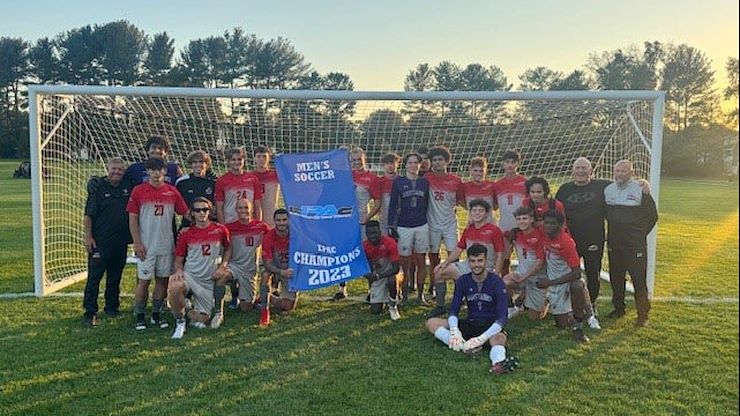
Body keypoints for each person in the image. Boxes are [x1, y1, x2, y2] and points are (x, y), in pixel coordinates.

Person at [555, 157, 651, 309]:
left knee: (593, 273)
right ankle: (565, 304)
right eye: (578, 168)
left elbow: (623, 182)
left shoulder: (603, 186)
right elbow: (556, 214)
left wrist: (643, 182)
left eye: (584, 168)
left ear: (591, 171)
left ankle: (591, 305)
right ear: (573, 170)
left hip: (594, 239)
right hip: (570, 240)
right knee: (566, 272)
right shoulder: (564, 189)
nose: (581, 171)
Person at [425, 244, 518, 375]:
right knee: (432, 323)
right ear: (468, 262)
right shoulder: (463, 280)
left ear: (486, 261)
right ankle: (462, 346)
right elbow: (454, 310)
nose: (476, 265)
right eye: (473, 261)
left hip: (490, 327)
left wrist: (481, 338)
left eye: (480, 260)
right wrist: (454, 330)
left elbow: (502, 317)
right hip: (471, 323)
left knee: (499, 338)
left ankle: (498, 364)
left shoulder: (496, 282)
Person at [127, 158, 189, 331]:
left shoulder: (172, 192)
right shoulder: (138, 191)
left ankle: (156, 314)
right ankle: (139, 315)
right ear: (147, 172)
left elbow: (186, 213)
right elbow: (132, 219)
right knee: (144, 282)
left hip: (166, 246)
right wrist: (137, 243)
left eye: (159, 170)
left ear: (164, 172)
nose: (156, 174)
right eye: (152, 170)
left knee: (162, 281)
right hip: (146, 246)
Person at [429, 199, 505, 318]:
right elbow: (459, 249)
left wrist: (496, 273)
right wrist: (445, 263)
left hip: (485, 268)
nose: (477, 213)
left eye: (480, 211)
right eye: (474, 210)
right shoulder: (469, 229)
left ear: (486, 214)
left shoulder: (494, 230)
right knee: (438, 272)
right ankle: (440, 306)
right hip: (468, 266)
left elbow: (500, 254)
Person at [168, 198, 232, 339]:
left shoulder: (220, 230)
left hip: (209, 280)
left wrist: (223, 266)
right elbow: (178, 259)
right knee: (175, 287)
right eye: (197, 210)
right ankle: (180, 322)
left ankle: (185, 307)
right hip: (191, 275)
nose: (202, 213)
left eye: (205, 209)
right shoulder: (186, 234)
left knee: (204, 320)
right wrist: (178, 271)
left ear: (210, 211)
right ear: (192, 213)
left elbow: (228, 248)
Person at [605, 160, 658, 327]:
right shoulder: (608, 190)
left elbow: (653, 216)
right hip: (614, 244)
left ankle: (643, 315)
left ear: (631, 173)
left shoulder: (640, 189)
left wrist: (639, 234)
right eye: (617, 171)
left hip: (635, 246)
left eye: (623, 171)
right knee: (616, 278)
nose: (619, 174)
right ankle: (619, 308)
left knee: (638, 280)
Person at [82, 157, 133, 326]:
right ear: (108, 169)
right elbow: (89, 215)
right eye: (114, 169)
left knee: (115, 277)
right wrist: (88, 236)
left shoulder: (128, 186)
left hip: (120, 242)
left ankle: (111, 307)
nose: (116, 172)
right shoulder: (98, 188)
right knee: (94, 277)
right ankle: (90, 312)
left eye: (120, 170)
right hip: (100, 242)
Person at [537, 210, 600, 343]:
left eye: (552, 224)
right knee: (562, 324)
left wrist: (550, 282)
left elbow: (577, 272)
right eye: (546, 223)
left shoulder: (566, 242)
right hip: (555, 284)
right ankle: (574, 308)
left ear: (561, 226)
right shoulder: (543, 234)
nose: (548, 226)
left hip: (567, 280)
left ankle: (579, 325)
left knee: (577, 285)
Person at [334, 147, 381, 300]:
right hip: (345, 222)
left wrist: (367, 218)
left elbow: (378, 202)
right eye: (353, 160)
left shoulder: (371, 178)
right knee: (343, 254)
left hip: (362, 222)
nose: (356, 163)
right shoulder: (345, 175)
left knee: (368, 254)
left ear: (364, 159)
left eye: (358, 160)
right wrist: (339, 153)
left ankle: (371, 290)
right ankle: (342, 288)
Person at [387, 152, 430, 304]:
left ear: (420, 164)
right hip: (403, 226)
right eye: (410, 163)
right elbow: (392, 205)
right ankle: (404, 296)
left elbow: (427, 204)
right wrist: (391, 226)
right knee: (404, 263)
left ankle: (420, 295)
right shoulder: (398, 182)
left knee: (421, 260)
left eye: (415, 163)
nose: (413, 165)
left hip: (421, 225)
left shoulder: (424, 182)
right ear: (405, 165)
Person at [425, 145, 464, 301]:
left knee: (453, 257)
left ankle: (459, 291)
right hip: (431, 224)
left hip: (450, 224)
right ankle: (434, 288)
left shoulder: (456, 180)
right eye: (434, 160)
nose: (437, 163)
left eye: (440, 160)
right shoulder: (426, 178)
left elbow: (462, 201)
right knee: (434, 257)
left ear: (447, 161)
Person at [502, 207, 548, 321]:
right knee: (504, 282)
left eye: (525, 218)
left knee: (534, 319)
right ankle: (511, 307)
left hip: (538, 278)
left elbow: (540, 263)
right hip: (521, 274)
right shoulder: (516, 234)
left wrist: (524, 277)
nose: (522, 221)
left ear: (532, 219)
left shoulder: (540, 236)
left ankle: (547, 299)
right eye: (519, 219)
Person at [225, 198, 270, 312]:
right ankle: (219, 309)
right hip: (234, 266)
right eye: (240, 208)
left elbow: (272, 240)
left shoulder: (261, 227)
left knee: (246, 308)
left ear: (252, 210)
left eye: (246, 207)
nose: (243, 210)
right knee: (221, 276)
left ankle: (255, 299)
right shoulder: (229, 228)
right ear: (236, 210)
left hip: (250, 270)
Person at [259, 209, 296, 326]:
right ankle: (265, 310)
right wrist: (281, 272)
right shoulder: (268, 237)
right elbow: (267, 263)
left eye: (284, 220)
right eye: (278, 220)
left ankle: (266, 297)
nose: (282, 223)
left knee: (288, 306)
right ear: (274, 221)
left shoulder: (296, 235)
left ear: (289, 220)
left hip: (289, 271)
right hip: (275, 269)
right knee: (265, 274)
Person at [493, 150, 528, 276]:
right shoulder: (497, 185)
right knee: (504, 258)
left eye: (513, 162)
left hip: (522, 227)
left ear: (518, 164)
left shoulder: (525, 182)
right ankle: (506, 287)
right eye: (507, 162)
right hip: (504, 226)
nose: (510, 165)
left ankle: (524, 286)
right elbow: (494, 206)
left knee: (524, 258)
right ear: (503, 164)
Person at [362, 221, 403, 320]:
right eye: (370, 234)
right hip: (378, 276)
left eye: (375, 233)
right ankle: (383, 299)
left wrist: (378, 276)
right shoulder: (364, 246)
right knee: (375, 310)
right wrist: (368, 275)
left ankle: (393, 305)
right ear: (366, 234)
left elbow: (396, 268)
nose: (372, 236)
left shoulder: (389, 242)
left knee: (391, 281)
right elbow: (362, 268)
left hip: (390, 273)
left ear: (380, 232)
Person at [215, 147, 263, 225]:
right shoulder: (222, 181)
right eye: (233, 160)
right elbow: (219, 208)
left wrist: (258, 223)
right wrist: (223, 227)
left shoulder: (252, 179)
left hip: (248, 222)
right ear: (228, 161)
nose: (237, 162)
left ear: (244, 160)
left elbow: (257, 205)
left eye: (239, 159)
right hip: (230, 222)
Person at [175, 150, 217, 228]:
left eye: (201, 162)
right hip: (188, 224)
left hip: (210, 224)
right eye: (195, 162)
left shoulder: (214, 182)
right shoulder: (182, 182)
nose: (198, 165)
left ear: (207, 164)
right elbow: (177, 205)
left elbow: (218, 204)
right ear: (191, 164)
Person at [461, 157, 496, 224]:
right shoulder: (465, 186)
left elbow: (495, 206)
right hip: (472, 224)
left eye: (481, 171)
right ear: (470, 170)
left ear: (485, 171)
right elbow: (462, 203)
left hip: (489, 224)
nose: (478, 173)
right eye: (475, 170)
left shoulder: (492, 185)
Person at [252, 145, 279, 228]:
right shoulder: (249, 177)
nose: (261, 159)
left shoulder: (276, 175)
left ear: (269, 158)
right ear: (254, 158)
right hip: (254, 216)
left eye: (264, 156)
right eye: (258, 156)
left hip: (271, 216)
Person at [378, 153, 401, 236]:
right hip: (384, 219)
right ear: (383, 165)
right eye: (387, 164)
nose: (390, 166)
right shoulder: (379, 181)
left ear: (398, 164)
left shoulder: (402, 181)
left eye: (392, 163)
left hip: (400, 219)